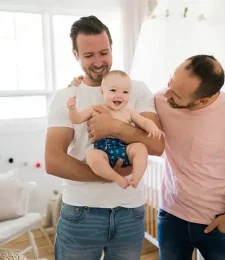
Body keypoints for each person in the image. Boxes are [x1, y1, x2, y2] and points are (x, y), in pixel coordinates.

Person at [44, 15, 164, 260]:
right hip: (81, 212)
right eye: (89, 56)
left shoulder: (136, 89)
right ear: (76, 55)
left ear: (111, 48)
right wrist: (111, 177)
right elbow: (53, 160)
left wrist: (114, 128)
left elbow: (157, 145)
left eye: (104, 52)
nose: (98, 62)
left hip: (130, 213)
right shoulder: (68, 96)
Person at [155, 54, 225, 260]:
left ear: (203, 100)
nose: (166, 94)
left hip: (216, 220)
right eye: (170, 81)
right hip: (171, 216)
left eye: (176, 94)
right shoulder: (160, 101)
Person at [66, 70, 164, 189]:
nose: (119, 95)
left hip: (124, 150)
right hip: (103, 152)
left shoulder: (128, 112)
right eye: (113, 90)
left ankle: (136, 178)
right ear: (102, 91)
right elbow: (76, 119)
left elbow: (144, 122)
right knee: (92, 156)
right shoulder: (95, 109)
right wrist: (71, 109)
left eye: (125, 92)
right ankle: (117, 178)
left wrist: (153, 128)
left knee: (140, 148)